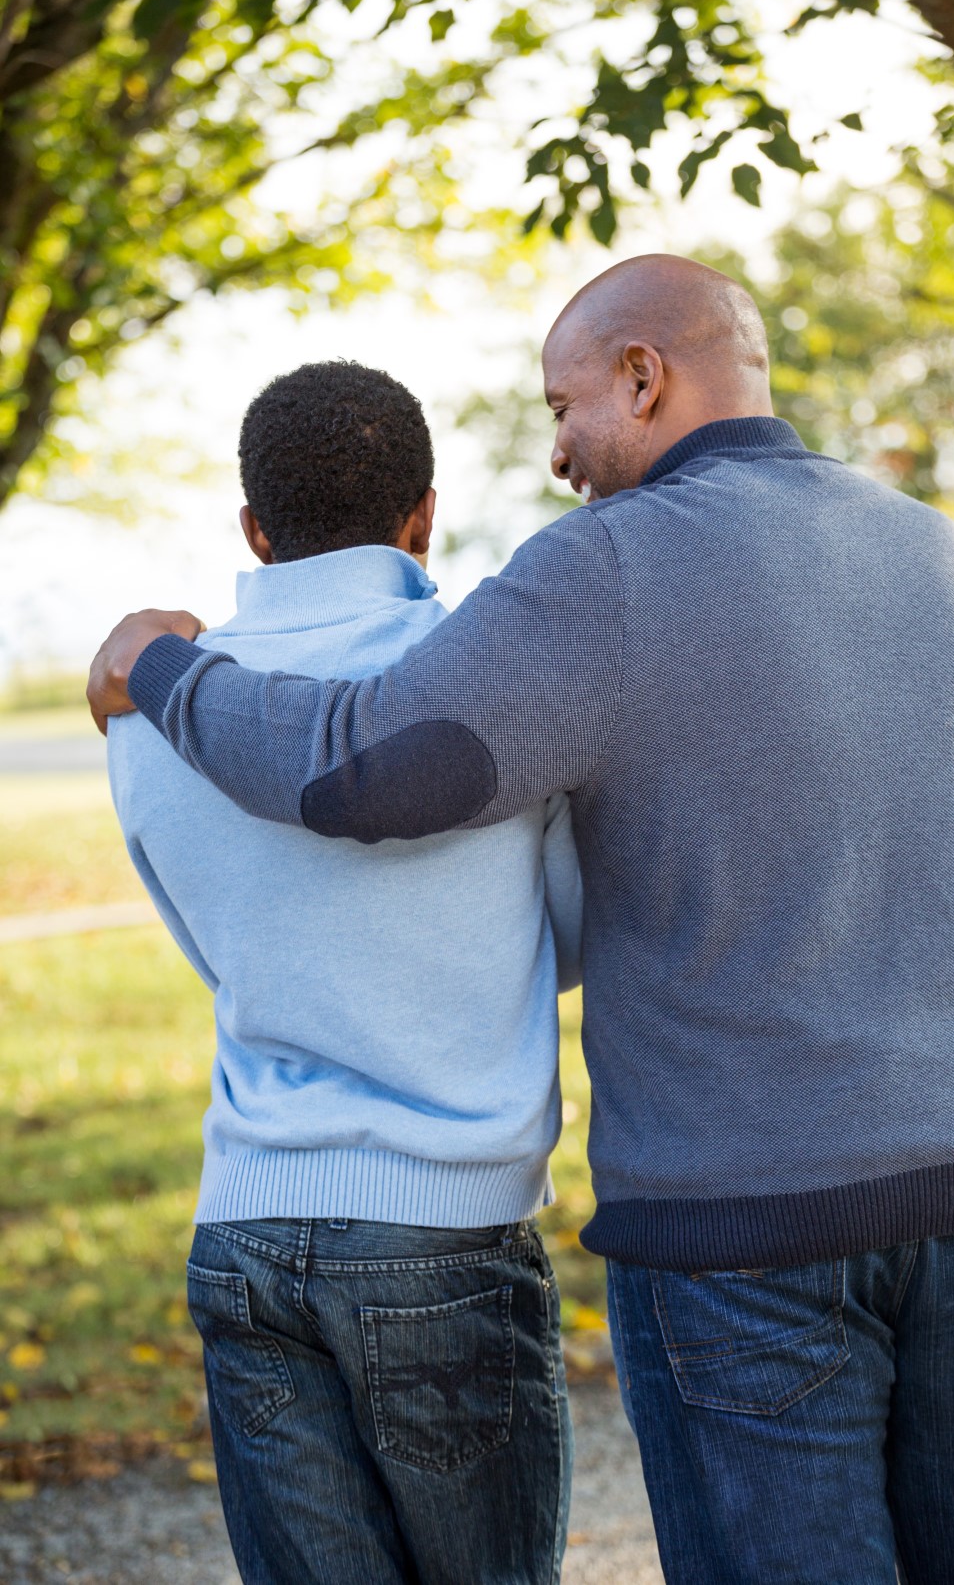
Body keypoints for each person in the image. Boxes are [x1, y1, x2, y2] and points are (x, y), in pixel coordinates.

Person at [90, 257, 954, 1585]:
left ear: (644, 376)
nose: (556, 456)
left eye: (565, 410)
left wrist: (153, 663)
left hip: (748, 1231)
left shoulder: (609, 569)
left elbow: (357, 767)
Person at [104, 360, 581, 1585]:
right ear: (423, 511)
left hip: (246, 1226)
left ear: (254, 531)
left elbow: (208, 942)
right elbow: (571, 931)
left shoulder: (150, 714)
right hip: (444, 1230)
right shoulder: (484, 680)